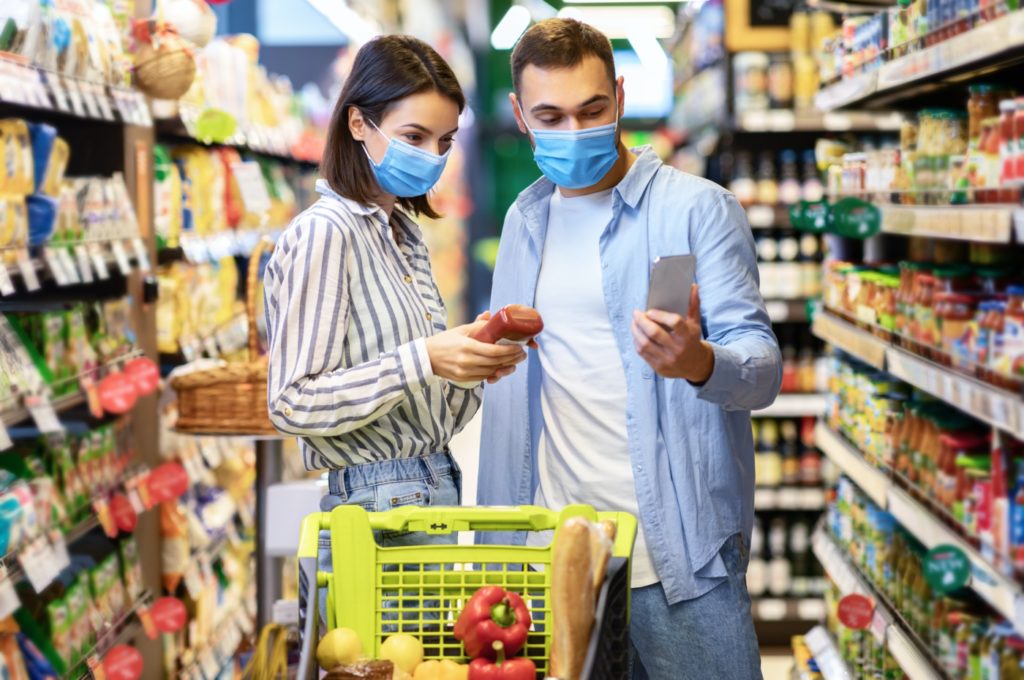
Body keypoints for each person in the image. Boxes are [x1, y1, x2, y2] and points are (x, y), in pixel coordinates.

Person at [477, 18, 781, 679]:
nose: (575, 130)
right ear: (519, 116)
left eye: (592, 109)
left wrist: (699, 362)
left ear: (618, 94)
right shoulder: (523, 222)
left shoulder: (698, 209)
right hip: (554, 560)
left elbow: (762, 369)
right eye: (550, 116)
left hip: (677, 560)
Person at [263, 35, 525, 588]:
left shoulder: (402, 235)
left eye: (444, 141)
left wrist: (466, 362)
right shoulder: (325, 235)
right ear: (358, 123)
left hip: (430, 487)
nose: (432, 157)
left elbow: (423, 402)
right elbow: (291, 401)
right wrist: (423, 357)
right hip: (375, 507)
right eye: (414, 136)